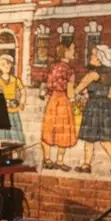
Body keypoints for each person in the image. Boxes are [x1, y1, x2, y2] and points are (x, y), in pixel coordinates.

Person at [76, 44, 111, 175]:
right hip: (106, 106)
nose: (91, 57)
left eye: (93, 55)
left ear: (100, 59)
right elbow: (110, 92)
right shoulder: (109, 74)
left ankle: (86, 165)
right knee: (104, 137)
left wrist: (75, 93)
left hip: (94, 106)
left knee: (89, 137)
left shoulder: (93, 74)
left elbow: (79, 88)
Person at [41, 40, 77, 170]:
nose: (74, 52)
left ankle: (47, 159)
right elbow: (70, 92)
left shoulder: (53, 67)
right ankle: (60, 161)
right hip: (63, 101)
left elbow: (47, 85)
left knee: (49, 129)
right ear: (66, 52)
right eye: (72, 49)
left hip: (53, 100)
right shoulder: (70, 70)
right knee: (64, 131)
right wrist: (75, 100)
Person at [0, 53, 25, 144]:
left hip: (13, 110)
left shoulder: (15, 80)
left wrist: (22, 103)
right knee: (0, 136)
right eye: (3, 64)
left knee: (15, 135)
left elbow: (23, 91)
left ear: (11, 66)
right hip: (1, 111)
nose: (6, 66)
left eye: (8, 64)